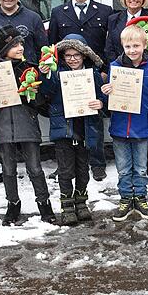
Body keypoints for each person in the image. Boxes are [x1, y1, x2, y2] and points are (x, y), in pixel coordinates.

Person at [101, 24, 148, 222]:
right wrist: (106, 92)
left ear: (144, 45)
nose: (132, 50)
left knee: (141, 168)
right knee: (123, 168)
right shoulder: (115, 67)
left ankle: (140, 197)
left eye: (136, 46)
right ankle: (126, 198)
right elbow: (110, 103)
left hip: (143, 128)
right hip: (119, 128)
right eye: (128, 47)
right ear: (122, 47)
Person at [0, 24, 56, 226]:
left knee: (35, 168)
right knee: (8, 169)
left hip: (27, 123)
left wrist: (31, 94)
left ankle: (44, 203)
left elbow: (42, 102)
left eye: (21, 43)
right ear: (3, 49)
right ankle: (12, 204)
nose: (20, 48)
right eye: (14, 45)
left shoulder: (30, 68)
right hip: (3, 125)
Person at [48, 0, 112, 182]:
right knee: (70, 121)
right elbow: (53, 46)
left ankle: (97, 163)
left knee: (94, 119)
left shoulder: (104, 11)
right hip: (68, 75)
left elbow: (108, 46)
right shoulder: (58, 12)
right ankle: (67, 163)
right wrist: (57, 73)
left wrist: (104, 71)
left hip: (94, 74)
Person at [40, 34, 104, 225]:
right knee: (66, 170)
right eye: (68, 55)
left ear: (84, 55)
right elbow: (46, 93)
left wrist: (101, 102)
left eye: (76, 54)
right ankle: (67, 206)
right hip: (64, 131)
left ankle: (81, 203)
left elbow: (103, 97)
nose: (73, 59)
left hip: (86, 129)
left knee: (83, 169)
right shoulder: (57, 74)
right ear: (62, 56)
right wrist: (47, 75)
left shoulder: (92, 74)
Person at [103, 0, 148, 186]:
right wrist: (118, 69)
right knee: (125, 129)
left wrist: (143, 68)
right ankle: (129, 183)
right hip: (122, 80)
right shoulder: (114, 19)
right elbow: (110, 47)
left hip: (146, 76)